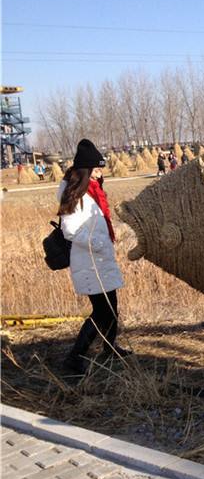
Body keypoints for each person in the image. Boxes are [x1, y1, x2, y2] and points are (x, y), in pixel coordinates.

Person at [57, 139, 131, 375]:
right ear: (87, 169)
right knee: (101, 312)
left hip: (100, 260)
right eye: (97, 169)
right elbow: (69, 230)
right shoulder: (75, 195)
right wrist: (98, 243)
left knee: (112, 307)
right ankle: (74, 359)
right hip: (89, 262)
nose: (100, 173)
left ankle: (110, 348)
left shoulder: (92, 191)